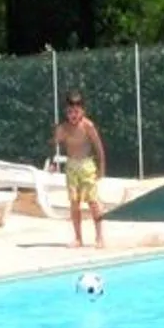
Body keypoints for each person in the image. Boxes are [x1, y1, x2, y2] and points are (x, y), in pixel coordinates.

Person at [51, 90, 108, 248]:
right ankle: (78, 238)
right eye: (70, 112)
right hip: (71, 167)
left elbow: (98, 146)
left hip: (87, 165)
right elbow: (54, 146)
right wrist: (53, 162)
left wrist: (102, 166)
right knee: (74, 203)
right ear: (65, 112)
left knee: (93, 202)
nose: (73, 115)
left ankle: (99, 236)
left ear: (83, 111)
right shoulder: (63, 128)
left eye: (76, 112)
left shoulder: (88, 126)